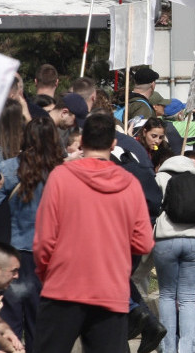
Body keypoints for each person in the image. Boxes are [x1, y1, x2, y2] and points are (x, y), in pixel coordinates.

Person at [33, 112, 155, 353]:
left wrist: (47, 274)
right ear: (113, 143)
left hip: (63, 286)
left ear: (81, 141)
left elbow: (44, 240)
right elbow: (143, 243)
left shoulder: (60, 177)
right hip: (110, 289)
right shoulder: (130, 184)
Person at [1, 115, 64, 348]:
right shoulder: (63, 173)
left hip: (13, 253)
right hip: (50, 256)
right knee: (42, 324)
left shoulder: (9, 168)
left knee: (9, 325)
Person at [154, 151, 195, 353]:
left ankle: (168, 348)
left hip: (166, 240)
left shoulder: (160, 178)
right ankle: (188, 348)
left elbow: (150, 207)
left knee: (167, 295)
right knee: (189, 298)